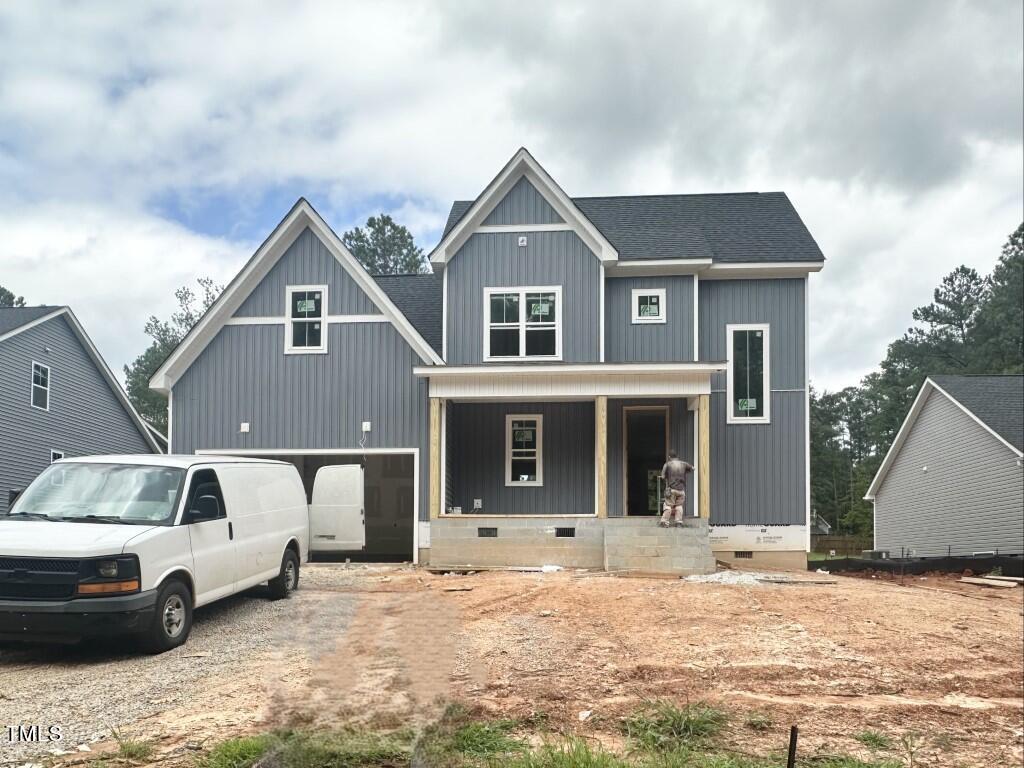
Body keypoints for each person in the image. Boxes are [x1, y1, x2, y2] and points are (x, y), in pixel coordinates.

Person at [659, 449, 694, 527]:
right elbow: (692, 468)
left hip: (671, 490)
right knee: (679, 506)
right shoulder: (683, 464)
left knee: (668, 505)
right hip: (681, 490)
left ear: (669, 457)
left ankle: (664, 522)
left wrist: (666, 476)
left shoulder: (667, 464)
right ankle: (678, 522)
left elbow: (663, 476)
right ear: (677, 456)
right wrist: (685, 472)